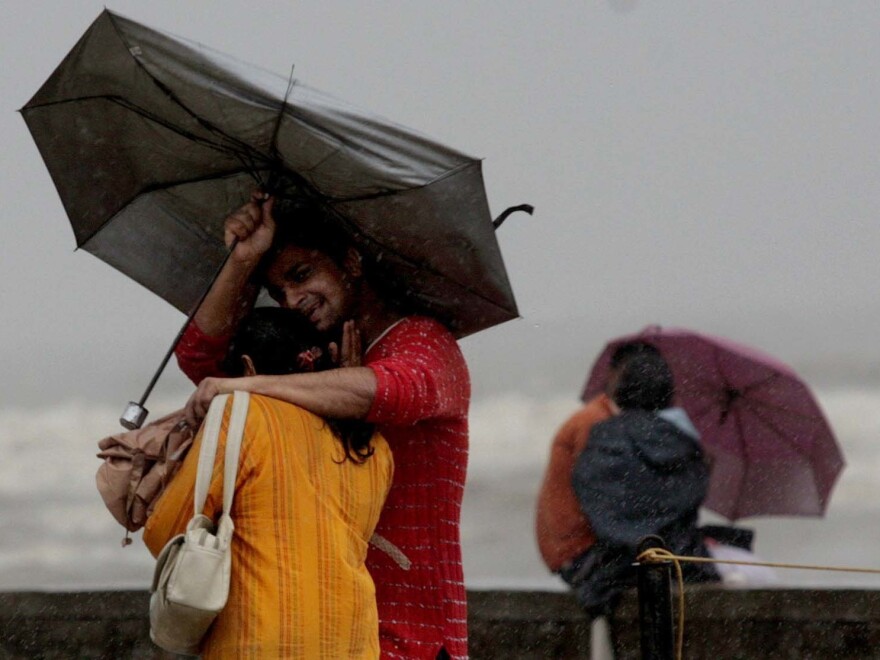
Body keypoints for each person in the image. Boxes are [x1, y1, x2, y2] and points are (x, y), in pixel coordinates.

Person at [174, 193, 471, 659]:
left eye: (302, 275)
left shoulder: (424, 341)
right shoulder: (318, 362)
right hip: (328, 630)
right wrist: (242, 260)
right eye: (279, 293)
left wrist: (246, 389)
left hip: (412, 636)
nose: (293, 301)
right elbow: (199, 358)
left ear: (350, 262)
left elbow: (391, 391)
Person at [144, 307, 393, 658]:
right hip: (352, 641)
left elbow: (168, 532)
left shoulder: (244, 415)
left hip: (259, 641)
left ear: (247, 368)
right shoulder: (373, 446)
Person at [570, 348, 719, 618]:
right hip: (679, 562)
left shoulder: (602, 437)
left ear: (620, 392)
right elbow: (685, 500)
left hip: (615, 568)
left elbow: (593, 497)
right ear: (667, 392)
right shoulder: (682, 440)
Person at [535, 343, 655, 578]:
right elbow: (607, 499)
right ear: (612, 376)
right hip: (577, 552)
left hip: (577, 548)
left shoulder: (607, 419)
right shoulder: (596, 423)